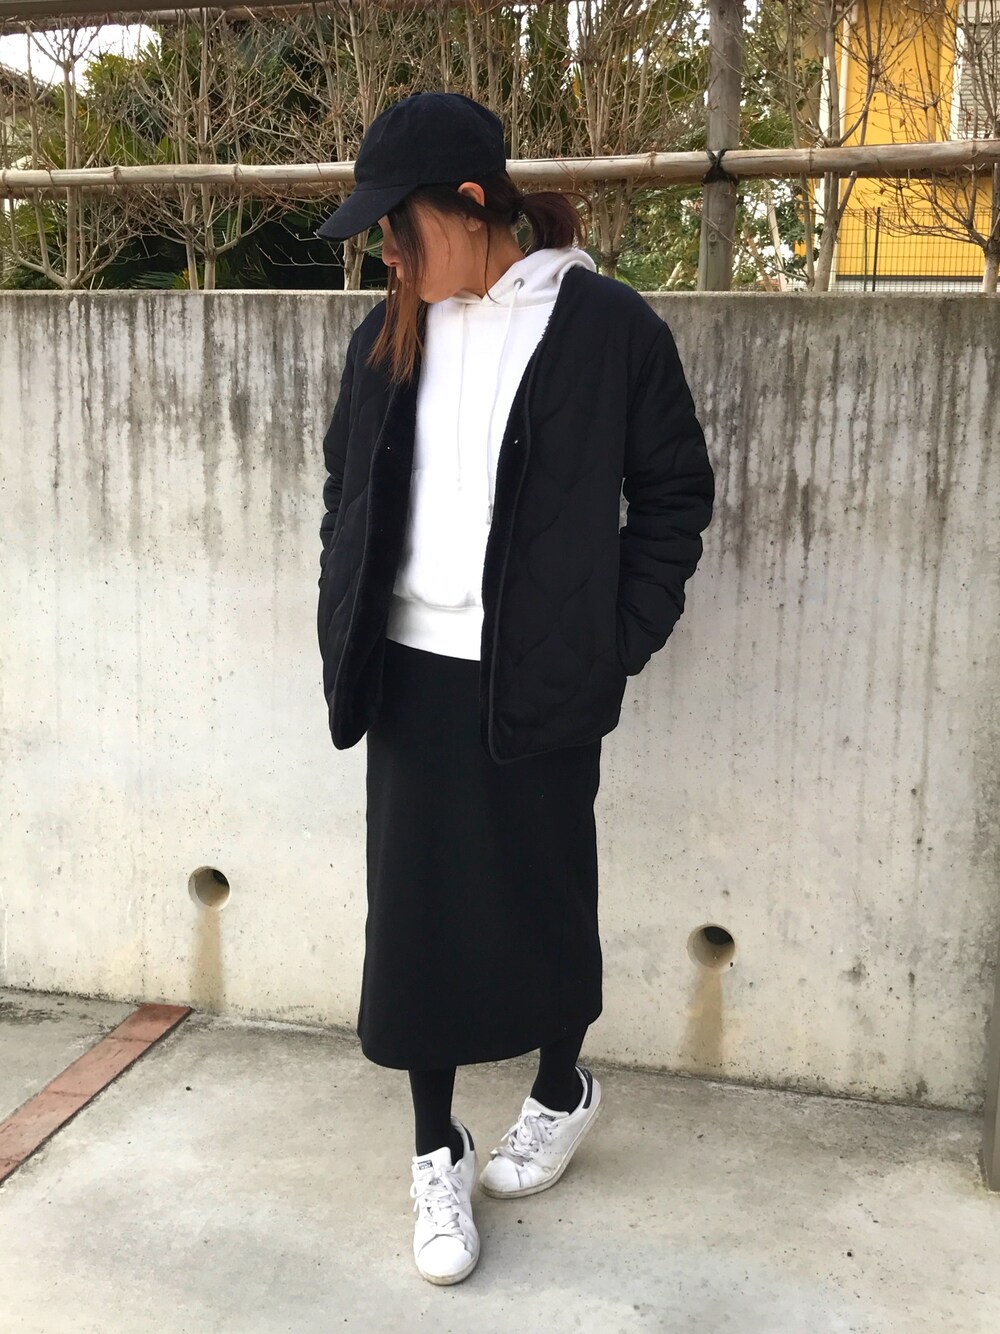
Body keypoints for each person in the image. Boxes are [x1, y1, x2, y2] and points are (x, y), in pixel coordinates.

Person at [314, 90, 714, 1286]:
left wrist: (612, 639)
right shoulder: (388, 331)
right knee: (415, 920)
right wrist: (343, 610)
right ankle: (433, 1145)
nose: (386, 252)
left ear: (471, 202)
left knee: (545, 894)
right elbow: (345, 488)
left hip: (539, 672)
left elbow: (674, 495)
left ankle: (559, 1086)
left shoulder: (607, 328)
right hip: (408, 670)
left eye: (397, 225)